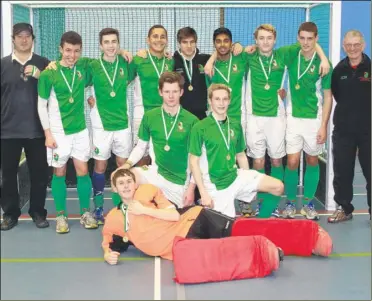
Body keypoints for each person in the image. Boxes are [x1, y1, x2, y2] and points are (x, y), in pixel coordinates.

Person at [236, 24, 330, 217]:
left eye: (269, 38)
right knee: (259, 161)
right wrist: (239, 46)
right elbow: (232, 50)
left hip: (278, 118)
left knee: (278, 160)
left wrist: (322, 58)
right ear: (255, 40)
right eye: (261, 38)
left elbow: (310, 44)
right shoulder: (249, 57)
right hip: (254, 119)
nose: (265, 42)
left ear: (275, 40)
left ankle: (277, 204)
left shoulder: (283, 55)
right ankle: (263, 204)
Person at [189, 83, 284, 218]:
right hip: (216, 186)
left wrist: (247, 184)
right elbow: (193, 162)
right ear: (210, 101)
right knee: (225, 230)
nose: (221, 103)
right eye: (217, 99)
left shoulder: (235, 124)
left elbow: (241, 156)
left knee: (278, 187)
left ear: (229, 101)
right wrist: (203, 193)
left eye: (225, 99)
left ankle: (261, 220)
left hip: (235, 177)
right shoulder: (200, 127)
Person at [37, 31, 98, 233]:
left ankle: (85, 213)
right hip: (58, 132)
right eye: (68, 50)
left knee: (83, 171)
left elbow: (107, 59)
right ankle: (61, 216)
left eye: (77, 51)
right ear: (60, 50)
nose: (72, 55)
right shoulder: (49, 73)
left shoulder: (82, 67)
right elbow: (41, 106)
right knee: (59, 171)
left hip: (80, 130)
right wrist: (47, 134)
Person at [113, 72, 199, 208]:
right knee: (131, 175)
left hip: (179, 182)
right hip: (156, 173)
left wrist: (191, 188)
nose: (171, 96)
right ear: (160, 92)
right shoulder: (150, 116)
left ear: (181, 92)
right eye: (167, 91)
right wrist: (127, 165)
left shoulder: (192, 121)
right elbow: (141, 147)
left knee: (176, 219)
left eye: (175, 91)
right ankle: (126, 212)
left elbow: (197, 158)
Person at [1, 23, 50, 230]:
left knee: (39, 174)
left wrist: (41, 75)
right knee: (8, 174)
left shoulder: (45, 64)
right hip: (7, 132)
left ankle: (38, 212)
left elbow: (57, 91)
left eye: (27, 36)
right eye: (19, 36)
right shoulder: (2, 65)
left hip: (37, 131)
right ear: (13, 38)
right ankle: (10, 214)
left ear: (32, 38)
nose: (23, 40)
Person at [282, 22, 333, 220]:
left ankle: (309, 203)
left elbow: (328, 97)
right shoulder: (292, 54)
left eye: (310, 38)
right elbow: (266, 49)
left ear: (316, 38)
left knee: (312, 160)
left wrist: (323, 125)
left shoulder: (324, 65)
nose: (305, 42)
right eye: (302, 38)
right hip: (293, 118)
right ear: (297, 37)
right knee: (293, 161)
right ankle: (290, 203)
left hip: (314, 119)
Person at [85, 28, 134, 225]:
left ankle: (121, 208)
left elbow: (146, 58)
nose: (111, 46)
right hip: (101, 126)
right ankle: (98, 208)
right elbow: (72, 69)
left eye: (114, 42)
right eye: (107, 42)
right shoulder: (93, 65)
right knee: (100, 166)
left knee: (123, 167)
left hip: (122, 124)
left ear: (118, 44)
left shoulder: (126, 63)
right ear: (100, 45)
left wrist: (126, 52)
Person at [329, 30, 371, 222]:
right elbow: (337, 95)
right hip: (344, 130)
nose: (352, 49)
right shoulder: (338, 70)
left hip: (368, 131)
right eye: (348, 45)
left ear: (363, 45)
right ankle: (345, 209)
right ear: (344, 46)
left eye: (356, 45)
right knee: (342, 171)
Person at [130, 25, 174, 167]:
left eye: (162, 37)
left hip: (164, 113)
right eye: (155, 36)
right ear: (147, 40)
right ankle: (141, 189)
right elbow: (119, 81)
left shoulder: (170, 61)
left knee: (162, 152)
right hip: (142, 112)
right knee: (141, 154)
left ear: (166, 40)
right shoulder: (138, 60)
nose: (159, 40)